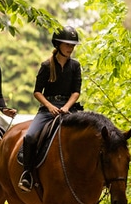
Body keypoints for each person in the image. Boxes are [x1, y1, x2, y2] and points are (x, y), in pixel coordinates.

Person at [18, 25, 83, 192]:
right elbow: (37, 92)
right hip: (48, 109)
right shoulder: (46, 65)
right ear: (58, 44)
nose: (70, 48)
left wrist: (67, 107)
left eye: (72, 45)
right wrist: (50, 106)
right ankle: (27, 174)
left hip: (70, 108)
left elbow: (76, 92)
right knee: (30, 137)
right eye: (67, 44)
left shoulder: (75, 66)